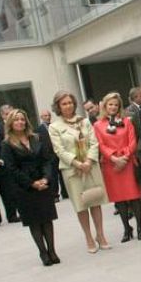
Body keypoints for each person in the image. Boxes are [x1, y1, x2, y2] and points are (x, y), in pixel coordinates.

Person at [49, 91, 110, 253]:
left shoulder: (84, 121)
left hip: (91, 166)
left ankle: (100, 235)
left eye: (70, 102)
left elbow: (94, 142)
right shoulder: (54, 127)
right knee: (81, 204)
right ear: (58, 107)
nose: (68, 106)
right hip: (72, 169)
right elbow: (59, 150)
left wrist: (89, 160)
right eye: (64, 103)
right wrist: (77, 163)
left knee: (95, 200)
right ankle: (89, 237)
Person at [0, 109, 60, 266]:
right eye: (16, 120)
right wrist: (32, 183)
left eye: (22, 119)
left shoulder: (36, 138)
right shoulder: (6, 144)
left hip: (43, 182)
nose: (20, 122)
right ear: (10, 123)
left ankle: (52, 250)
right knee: (34, 221)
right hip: (24, 187)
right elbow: (11, 169)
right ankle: (43, 252)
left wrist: (46, 178)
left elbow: (47, 160)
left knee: (47, 219)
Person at [94, 92, 141, 242]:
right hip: (111, 165)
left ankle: (140, 226)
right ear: (105, 106)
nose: (113, 107)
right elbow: (100, 145)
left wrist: (125, 156)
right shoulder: (98, 125)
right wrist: (114, 157)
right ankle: (126, 228)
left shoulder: (127, 121)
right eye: (110, 104)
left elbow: (133, 141)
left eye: (116, 105)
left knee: (134, 196)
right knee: (119, 199)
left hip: (128, 162)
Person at [0, 104, 20, 223]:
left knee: (15, 190)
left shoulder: (19, 124)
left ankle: (16, 213)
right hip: (4, 164)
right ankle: (4, 217)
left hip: (19, 160)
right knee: (7, 191)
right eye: (8, 114)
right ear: (2, 115)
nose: (11, 116)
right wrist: (0, 161)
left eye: (12, 113)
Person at [36, 109, 68, 201]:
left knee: (62, 174)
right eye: (45, 116)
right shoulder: (38, 130)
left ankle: (65, 193)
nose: (48, 117)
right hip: (48, 156)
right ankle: (55, 195)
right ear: (41, 117)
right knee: (52, 176)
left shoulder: (55, 126)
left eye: (49, 115)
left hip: (58, 154)